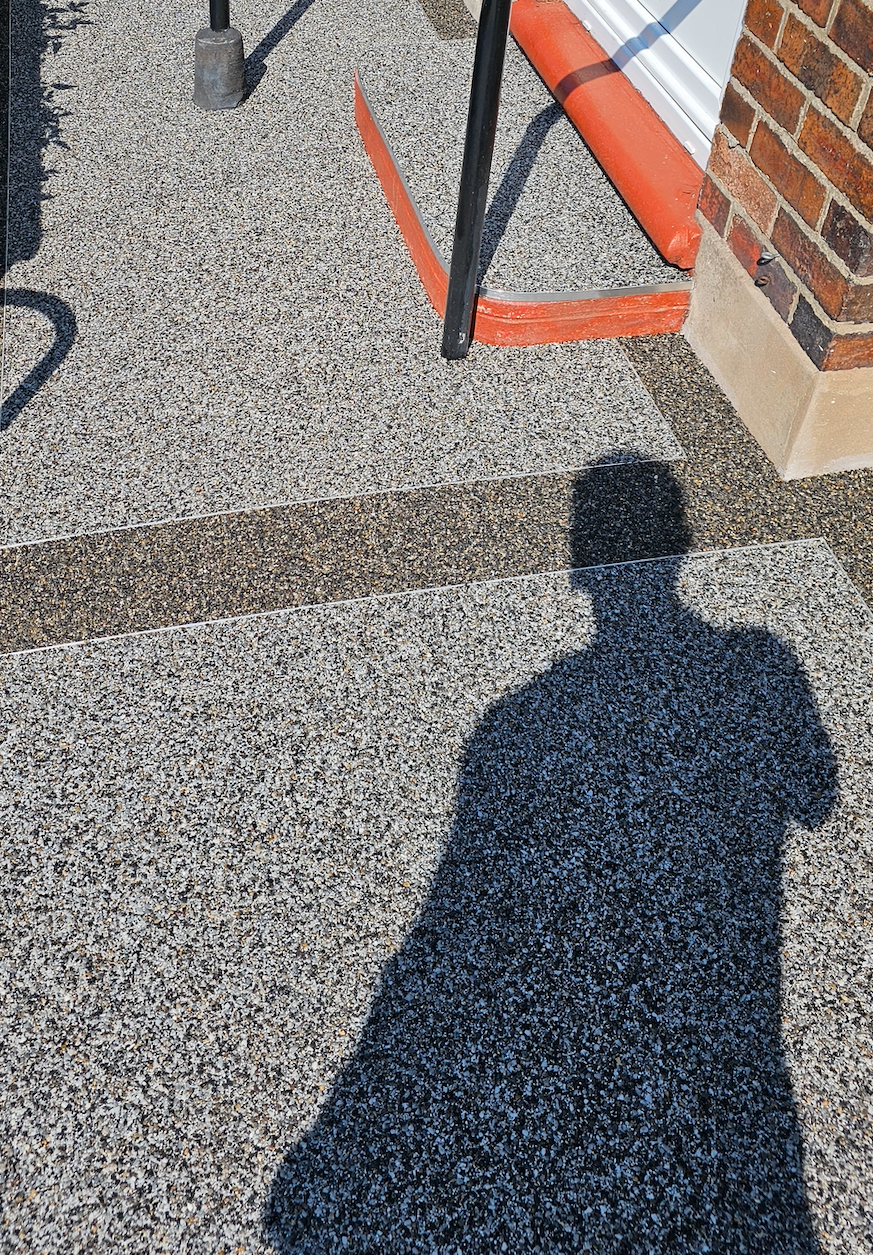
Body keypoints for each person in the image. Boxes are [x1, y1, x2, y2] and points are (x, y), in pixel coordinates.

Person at [266, 457, 838, 1251]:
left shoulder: (515, 720)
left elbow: (454, 909)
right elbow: (814, 799)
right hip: (722, 1008)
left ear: (580, 566)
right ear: (680, 548)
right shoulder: (759, 663)